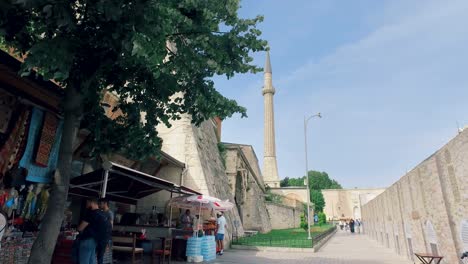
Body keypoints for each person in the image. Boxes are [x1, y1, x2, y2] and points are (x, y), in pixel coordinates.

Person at [76, 197, 112, 264]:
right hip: (96, 240)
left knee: (84, 260)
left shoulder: (91, 213)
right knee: (91, 260)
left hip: (87, 239)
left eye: (87, 202)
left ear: (91, 202)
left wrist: (78, 229)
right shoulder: (103, 214)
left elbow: (80, 228)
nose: (86, 204)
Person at [97, 198, 114, 264]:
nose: (99, 205)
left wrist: (107, 239)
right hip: (100, 236)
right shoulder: (100, 212)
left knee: (102, 256)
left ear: (105, 203)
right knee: (99, 255)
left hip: (105, 237)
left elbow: (111, 226)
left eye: (100, 204)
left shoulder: (109, 213)